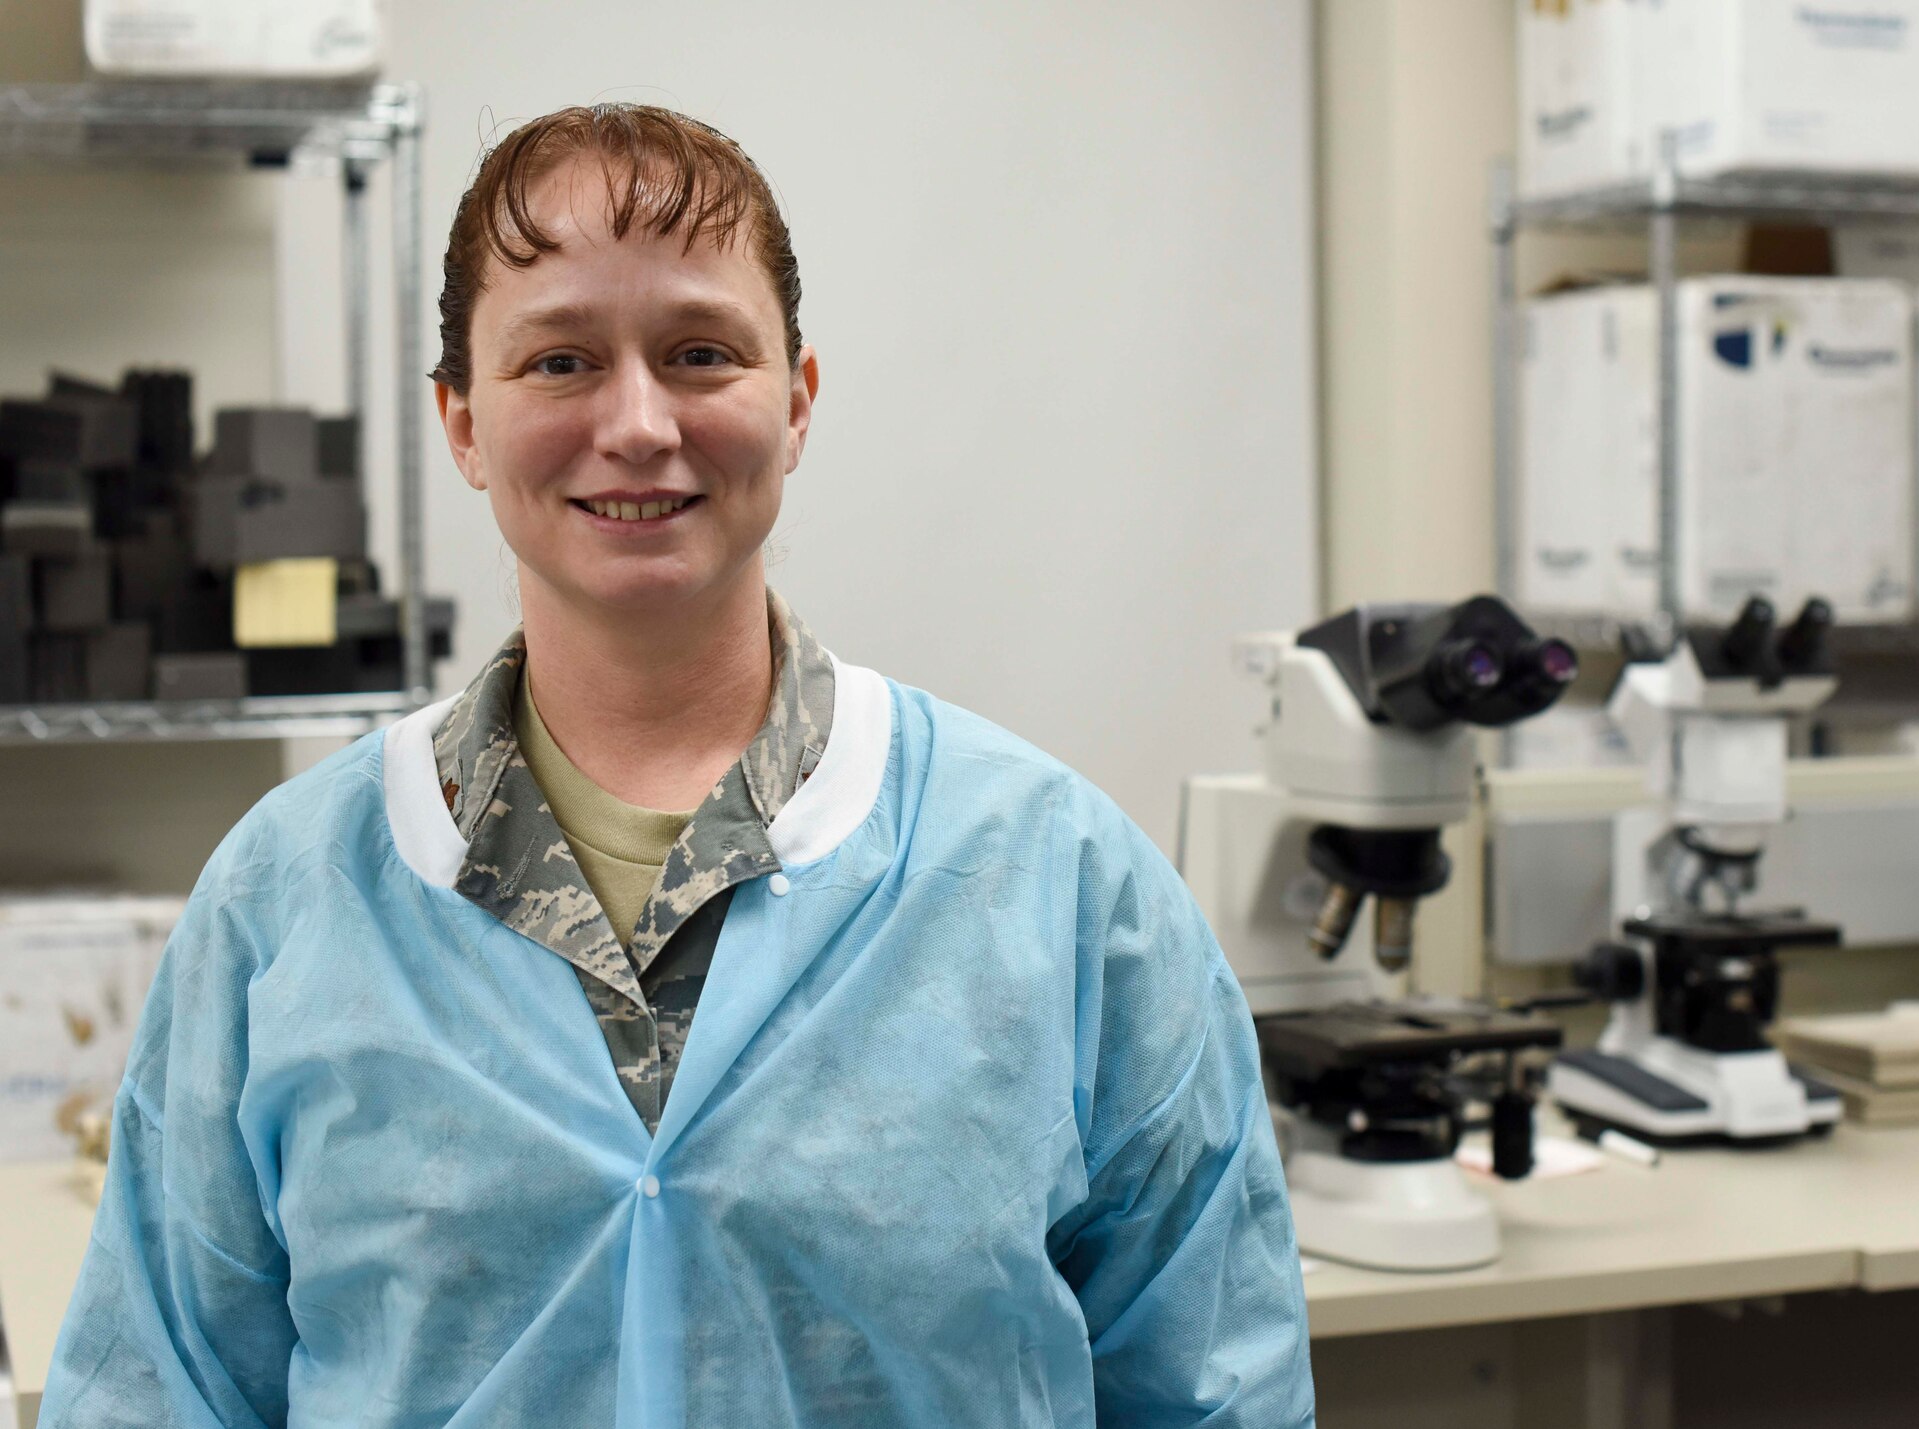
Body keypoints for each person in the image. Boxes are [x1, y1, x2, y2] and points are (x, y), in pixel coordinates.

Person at [39, 103, 1314, 1427]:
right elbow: (159, 1389)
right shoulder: (288, 897)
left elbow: (1216, 1388)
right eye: (560, 362)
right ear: (464, 423)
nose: (640, 423)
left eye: (701, 352)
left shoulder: (1059, 880)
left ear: (798, 399)